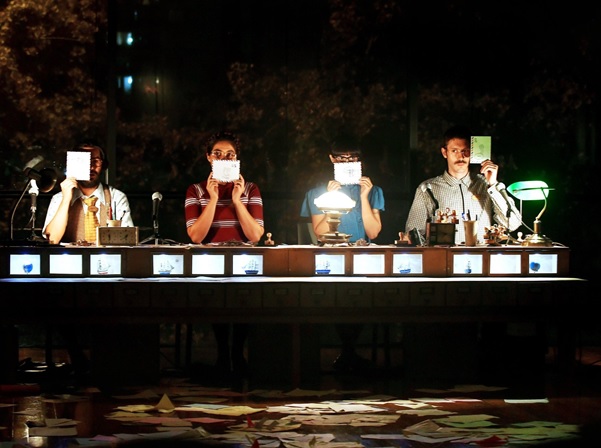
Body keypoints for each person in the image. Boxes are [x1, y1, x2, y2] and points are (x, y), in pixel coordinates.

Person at [42, 142, 134, 380]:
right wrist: (66, 197)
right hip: (69, 271)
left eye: (96, 161)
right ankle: (78, 359)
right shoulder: (59, 199)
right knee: (58, 299)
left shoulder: (116, 198)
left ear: (104, 165)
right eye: (84, 161)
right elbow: (52, 239)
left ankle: (106, 365)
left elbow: (128, 239)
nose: (91, 166)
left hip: (107, 271)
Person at [185, 130, 264, 380]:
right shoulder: (196, 190)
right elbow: (196, 236)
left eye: (230, 155)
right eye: (218, 154)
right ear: (209, 157)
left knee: (245, 292)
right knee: (216, 293)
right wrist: (213, 199)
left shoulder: (250, 189)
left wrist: (238, 201)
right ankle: (222, 354)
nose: (224, 159)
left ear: (237, 159)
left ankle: (237, 353)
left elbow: (255, 235)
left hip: (244, 261)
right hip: (210, 262)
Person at [300, 139, 385, 372]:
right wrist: (331, 198)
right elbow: (320, 232)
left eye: (352, 157)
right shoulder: (318, 193)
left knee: (362, 299)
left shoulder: (373, 190)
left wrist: (364, 197)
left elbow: (373, 232)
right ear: (332, 159)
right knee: (335, 298)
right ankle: (346, 351)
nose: (347, 162)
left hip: (362, 258)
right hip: (331, 257)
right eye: (341, 157)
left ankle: (350, 350)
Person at [405, 125, 522, 244]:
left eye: (465, 151)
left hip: (481, 254)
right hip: (444, 254)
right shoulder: (427, 189)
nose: (461, 156)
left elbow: (513, 223)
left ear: (472, 152)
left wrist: (493, 184)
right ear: (445, 152)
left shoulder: (485, 185)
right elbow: (413, 234)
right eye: (454, 151)